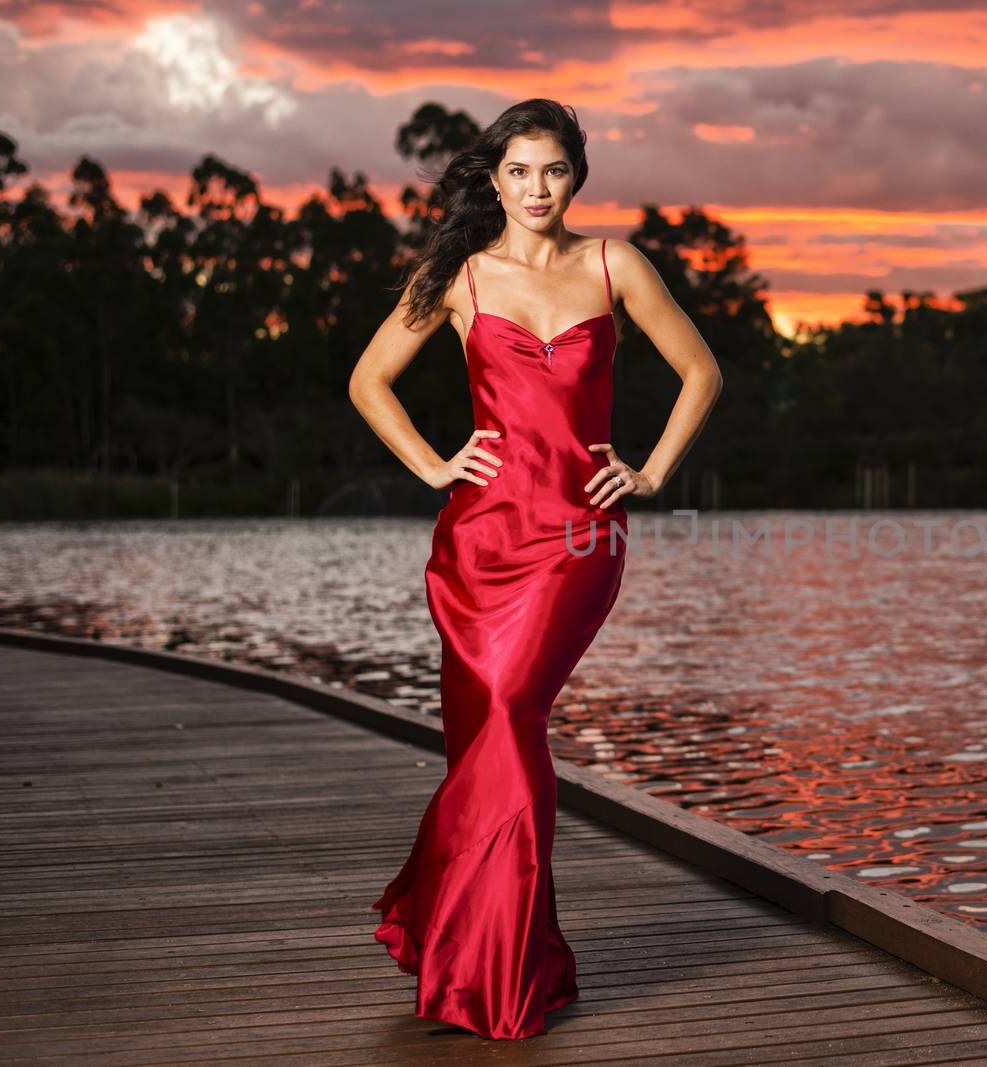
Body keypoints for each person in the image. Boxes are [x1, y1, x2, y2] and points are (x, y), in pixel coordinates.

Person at [347, 98, 723, 1039]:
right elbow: (367, 380)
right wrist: (434, 464)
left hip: (577, 541)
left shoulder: (615, 265)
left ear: (576, 174)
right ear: (495, 180)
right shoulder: (462, 278)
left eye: (552, 170)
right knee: (492, 741)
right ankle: (508, 954)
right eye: (519, 172)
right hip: (478, 542)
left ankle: (489, 965)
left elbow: (702, 371)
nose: (537, 188)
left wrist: (651, 468)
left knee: (511, 715)